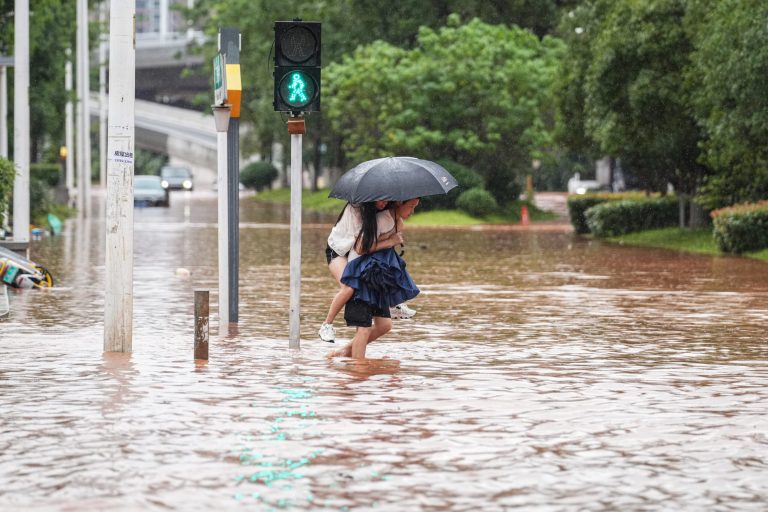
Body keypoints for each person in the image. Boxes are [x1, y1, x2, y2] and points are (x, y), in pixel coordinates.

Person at [328, 198, 420, 359]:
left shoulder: (388, 219)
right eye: (411, 206)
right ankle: (357, 368)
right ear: (399, 202)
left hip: (372, 274)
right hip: (357, 270)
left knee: (384, 325)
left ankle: (346, 352)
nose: (413, 212)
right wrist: (390, 240)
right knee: (351, 296)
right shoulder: (372, 216)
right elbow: (361, 247)